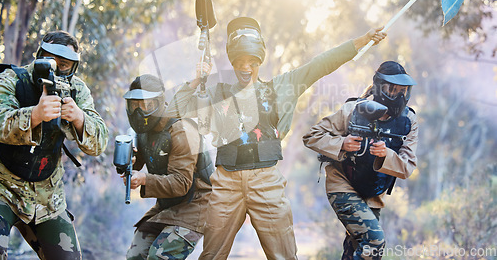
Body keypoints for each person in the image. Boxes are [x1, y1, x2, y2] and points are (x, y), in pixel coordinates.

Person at [166, 16, 386, 260]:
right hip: (225, 183)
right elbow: (173, 112)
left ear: (260, 60)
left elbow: (320, 64)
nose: (246, 67)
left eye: (252, 61)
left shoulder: (279, 88)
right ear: (232, 61)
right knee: (211, 255)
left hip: (266, 182)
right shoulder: (217, 93)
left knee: (284, 256)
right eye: (240, 61)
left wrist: (361, 40)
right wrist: (197, 79)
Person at [0, 31, 108, 259]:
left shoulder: (76, 91)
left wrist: (78, 118)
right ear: (38, 56)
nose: (56, 70)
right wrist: (35, 115)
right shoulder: (11, 79)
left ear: (73, 67)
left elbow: (99, 143)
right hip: (1, 188)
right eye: (49, 62)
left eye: (64, 65)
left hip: (47, 198)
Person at [302, 61, 419, 260]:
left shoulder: (409, 121)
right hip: (343, 185)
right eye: (393, 89)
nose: (399, 96)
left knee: (356, 251)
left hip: (373, 193)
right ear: (380, 87)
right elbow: (312, 136)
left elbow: (407, 167)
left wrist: (386, 154)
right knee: (374, 242)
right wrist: (342, 144)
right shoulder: (353, 110)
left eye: (403, 91)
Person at [122, 74, 213, 260]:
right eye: (134, 106)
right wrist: (128, 165)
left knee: (160, 256)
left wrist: (144, 179)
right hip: (167, 205)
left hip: (195, 204)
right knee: (135, 255)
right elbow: (139, 162)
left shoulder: (182, 131)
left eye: (146, 105)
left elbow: (181, 183)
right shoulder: (144, 131)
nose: (140, 112)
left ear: (159, 103)